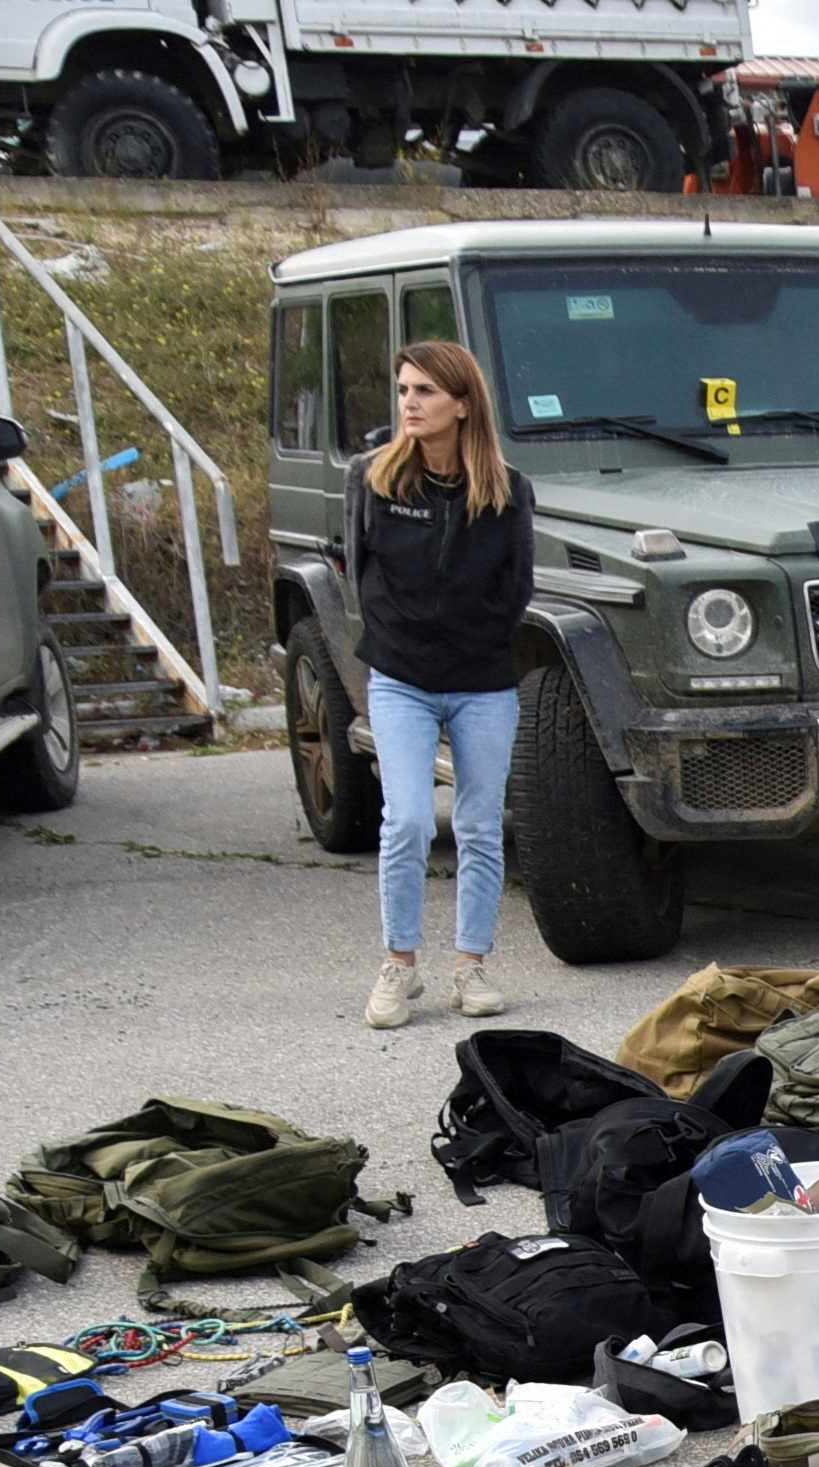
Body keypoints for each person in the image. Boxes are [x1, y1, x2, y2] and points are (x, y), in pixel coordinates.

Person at [345, 339, 532, 1030]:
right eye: (402, 391)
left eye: (424, 391)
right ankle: (398, 967)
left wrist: (470, 637)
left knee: (481, 823)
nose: (409, 404)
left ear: (461, 403)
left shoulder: (508, 490)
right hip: (400, 678)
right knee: (409, 821)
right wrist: (400, 638)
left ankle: (469, 967)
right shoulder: (372, 478)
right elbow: (358, 569)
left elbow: (518, 588)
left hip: (482, 679)